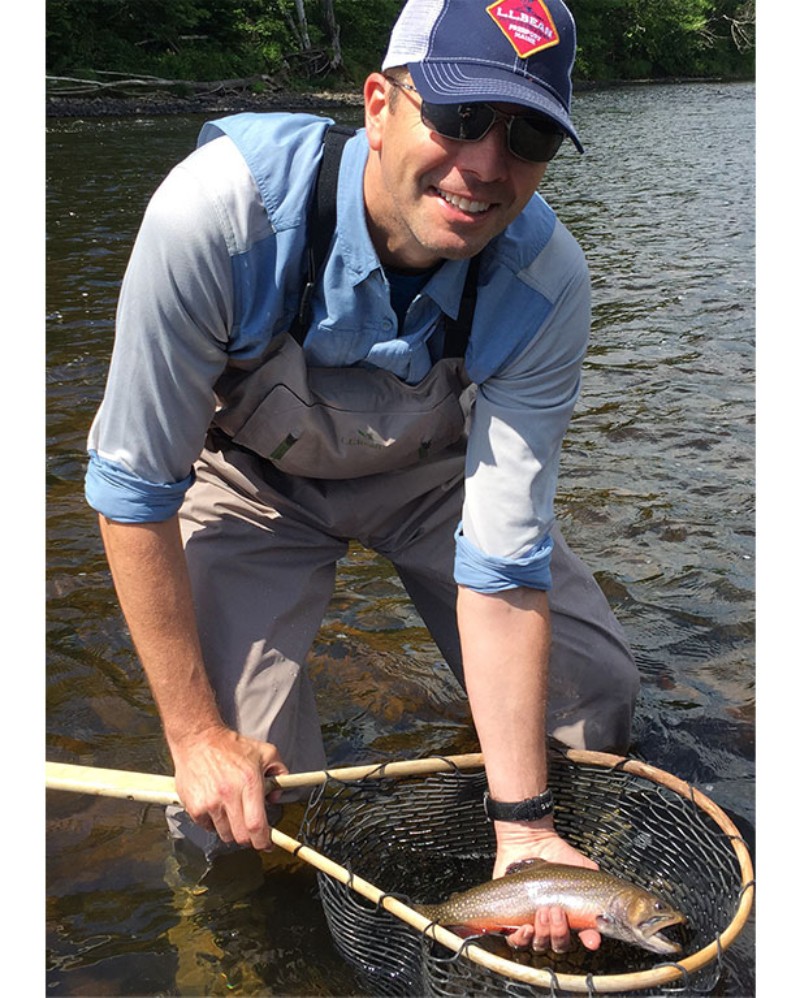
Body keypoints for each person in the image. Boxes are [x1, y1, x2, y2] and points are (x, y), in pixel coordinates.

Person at [85, 0, 639, 954]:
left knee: (595, 700)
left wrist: (522, 824)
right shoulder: (218, 216)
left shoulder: (546, 284)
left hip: (431, 481)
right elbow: (136, 490)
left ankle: (530, 849)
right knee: (249, 797)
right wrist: (194, 738)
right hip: (251, 485)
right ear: (378, 104)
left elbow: (503, 560)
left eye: (530, 133)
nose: (486, 165)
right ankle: (232, 946)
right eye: (459, 118)